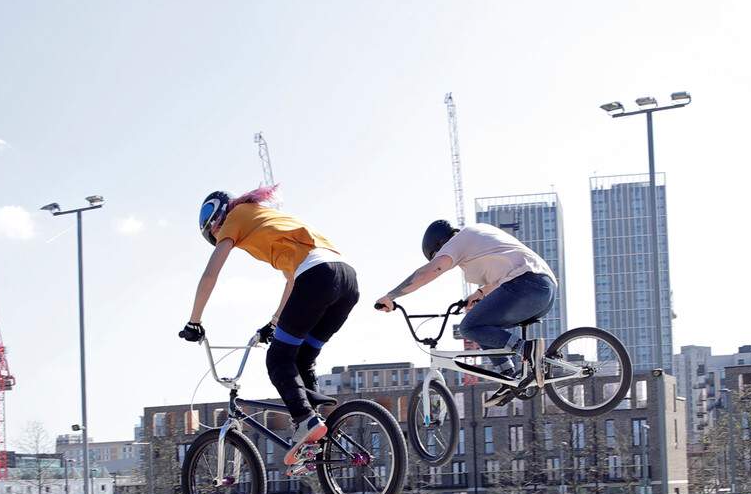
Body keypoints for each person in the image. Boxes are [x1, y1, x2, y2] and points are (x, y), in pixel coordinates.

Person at [180, 186, 358, 464]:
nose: (215, 234)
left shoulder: (234, 218)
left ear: (216, 215)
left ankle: (306, 422)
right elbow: (291, 280)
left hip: (318, 276)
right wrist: (274, 323)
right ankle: (317, 433)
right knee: (301, 358)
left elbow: (210, 274)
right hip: (346, 280)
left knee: (278, 359)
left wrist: (194, 322)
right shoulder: (265, 217)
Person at [373, 218, 558, 396]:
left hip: (527, 285)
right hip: (542, 291)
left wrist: (391, 296)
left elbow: (429, 272)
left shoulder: (458, 240)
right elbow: (505, 271)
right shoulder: (477, 235)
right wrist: (479, 294)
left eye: (437, 255)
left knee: (469, 327)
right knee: (482, 325)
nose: (442, 259)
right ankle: (509, 377)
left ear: (441, 243)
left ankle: (527, 349)